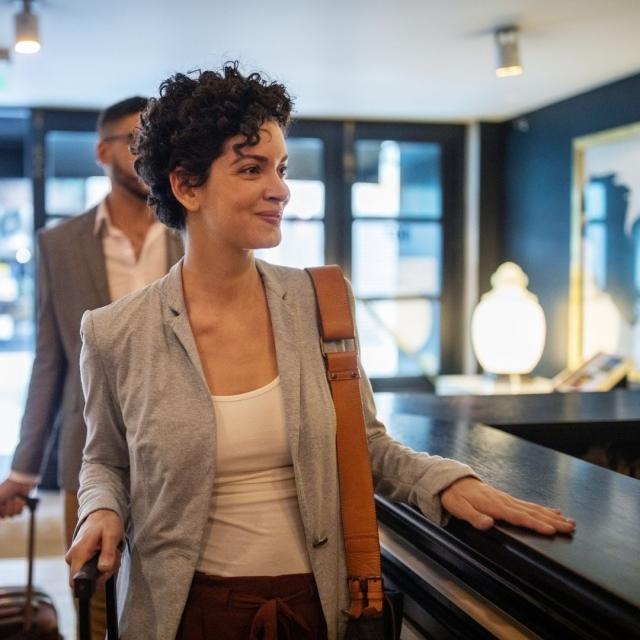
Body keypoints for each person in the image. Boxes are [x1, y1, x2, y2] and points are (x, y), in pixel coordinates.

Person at [65, 65, 575, 640]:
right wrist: (101, 509)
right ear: (187, 186)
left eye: (280, 169)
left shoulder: (320, 301)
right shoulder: (114, 332)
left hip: (317, 608)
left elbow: (366, 443)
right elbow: (105, 460)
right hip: (182, 613)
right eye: (251, 169)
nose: (280, 188)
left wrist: (450, 482)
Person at [0, 97, 183, 639]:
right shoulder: (59, 244)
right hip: (91, 454)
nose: (147, 149)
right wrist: (23, 469)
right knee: (95, 598)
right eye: (134, 137)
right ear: (102, 150)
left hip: (182, 447)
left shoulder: (193, 231)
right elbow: (50, 360)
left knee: (174, 596)